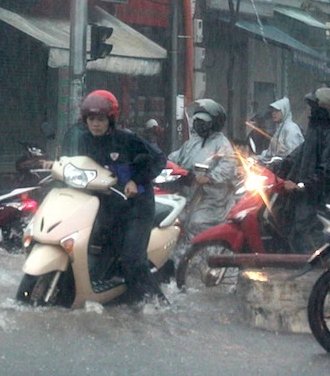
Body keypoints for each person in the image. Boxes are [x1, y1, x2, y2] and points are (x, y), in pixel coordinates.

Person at [50, 90, 167, 303]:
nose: (96, 124)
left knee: (132, 260)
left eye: (101, 119)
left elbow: (159, 158)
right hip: (107, 208)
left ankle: (155, 305)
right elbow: (80, 167)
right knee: (91, 254)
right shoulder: (85, 140)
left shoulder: (127, 140)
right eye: (91, 119)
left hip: (136, 208)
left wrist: (136, 181)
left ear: (111, 119)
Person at [273, 87, 330, 253]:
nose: (310, 111)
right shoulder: (315, 132)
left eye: (314, 107)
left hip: (324, 208)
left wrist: (300, 186)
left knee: (312, 250)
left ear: (325, 111)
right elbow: (296, 157)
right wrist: (273, 167)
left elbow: (328, 174)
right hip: (307, 203)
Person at [168, 99, 237, 259]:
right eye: (196, 121)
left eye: (203, 122)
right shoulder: (192, 142)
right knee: (178, 222)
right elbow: (176, 158)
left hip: (213, 199)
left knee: (197, 223)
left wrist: (209, 178)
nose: (198, 124)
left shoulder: (222, 143)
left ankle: (205, 259)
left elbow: (228, 166)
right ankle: (179, 262)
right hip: (191, 195)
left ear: (213, 123)